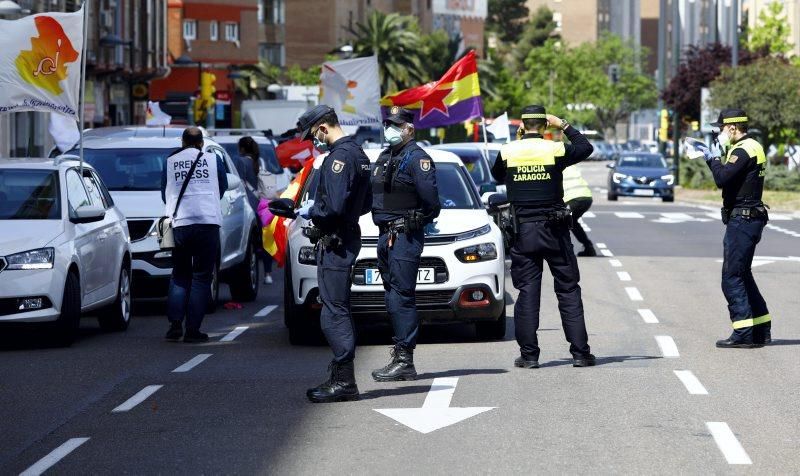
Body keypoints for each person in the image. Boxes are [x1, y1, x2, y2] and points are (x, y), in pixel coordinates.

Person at [491, 105, 595, 368]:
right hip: (555, 231)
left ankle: (529, 356)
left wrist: (517, 142)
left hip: (523, 232)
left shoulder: (508, 151)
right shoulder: (555, 149)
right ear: (546, 126)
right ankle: (581, 354)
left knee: (527, 293)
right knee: (568, 290)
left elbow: (497, 176)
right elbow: (585, 148)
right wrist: (564, 125)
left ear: (522, 126)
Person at [295, 105, 373, 402]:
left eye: (312, 135)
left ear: (323, 128)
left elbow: (334, 206)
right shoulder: (359, 155)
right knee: (337, 308)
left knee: (333, 313)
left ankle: (344, 382)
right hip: (347, 236)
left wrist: (313, 210)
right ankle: (341, 377)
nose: (312, 141)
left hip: (336, 241)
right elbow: (364, 203)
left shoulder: (338, 158)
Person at [370, 106, 440, 382]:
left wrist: (414, 221)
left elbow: (432, 204)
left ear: (409, 129)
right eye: (388, 124)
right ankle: (399, 353)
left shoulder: (417, 159)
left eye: (396, 125)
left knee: (402, 296)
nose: (390, 129)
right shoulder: (385, 156)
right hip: (384, 236)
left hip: (403, 236)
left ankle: (404, 359)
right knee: (391, 295)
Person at [693, 109, 771, 348]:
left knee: (731, 276)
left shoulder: (743, 149)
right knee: (742, 273)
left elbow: (723, 179)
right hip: (749, 218)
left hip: (744, 220)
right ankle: (760, 328)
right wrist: (714, 156)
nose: (718, 133)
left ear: (733, 128)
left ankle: (743, 333)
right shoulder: (751, 146)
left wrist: (712, 158)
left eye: (720, 129)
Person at [161, 127, 228, 343]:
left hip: (180, 223)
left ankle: (174, 326)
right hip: (207, 223)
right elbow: (223, 186)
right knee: (201, 277)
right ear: (201, 143)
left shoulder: (170, 162)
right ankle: (192, 330)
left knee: (180, 274)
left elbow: (165, 192)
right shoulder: (212, 159)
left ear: (182, 142)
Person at [235, 136, 275, 285]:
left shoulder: (241, 161)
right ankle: (268, 273)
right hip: (264, 205)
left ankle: (249, 273)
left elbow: (239, 183)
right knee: (266, 241)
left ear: (242, 149)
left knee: (250, 242)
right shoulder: (261, 162)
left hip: (250, 205)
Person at [562, 164, 597, 256]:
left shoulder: (557, 167)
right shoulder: (571, 166)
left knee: (560, 221)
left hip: (574, 200)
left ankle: (562, 250)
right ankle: (588, 247)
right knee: (571, 222)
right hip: (586, 198)